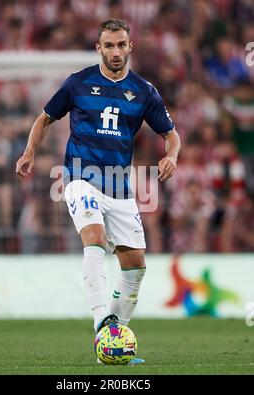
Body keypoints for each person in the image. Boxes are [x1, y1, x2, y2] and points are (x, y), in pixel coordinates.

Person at [16, 19, 181, 364]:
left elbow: (171, 133)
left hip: (119, 187)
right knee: (94, 237)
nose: (116, 52)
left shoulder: (144, 91)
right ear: (99, 48)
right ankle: (100, 323)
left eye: (121, 45)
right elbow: (44, 118)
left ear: (129, 47)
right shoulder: (78, 83)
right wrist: (30, 150)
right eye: (109, 46)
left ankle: (114, 336)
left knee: (135, 266)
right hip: (79, 176)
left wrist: (172, 154)